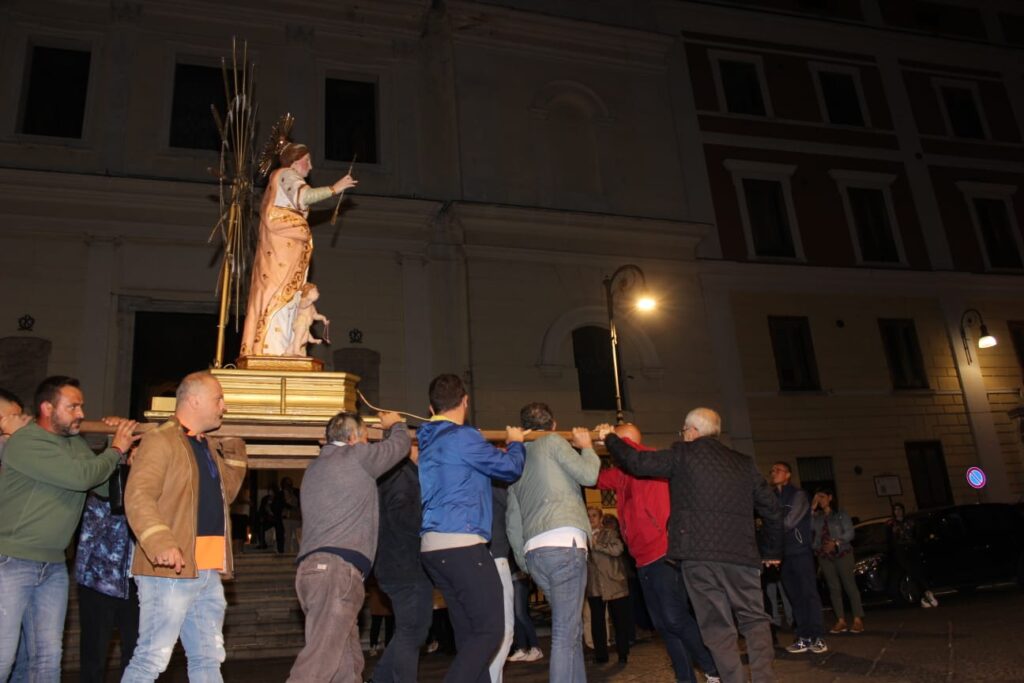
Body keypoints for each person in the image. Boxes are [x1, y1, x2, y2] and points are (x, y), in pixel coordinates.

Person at [598, 408, 782, 683]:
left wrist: (610, 439)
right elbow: (772, 508)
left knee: (717, 627)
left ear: (693, 430)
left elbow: (636, 462)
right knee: (754, 620)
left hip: (699, 558)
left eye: (684, 431)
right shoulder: (744, 463)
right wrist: (771, 550)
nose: (683, 435)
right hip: (742, 556)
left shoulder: (682, 455)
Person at [0, 376, 136, 681]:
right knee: (3, 657)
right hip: (11, 562)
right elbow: (80, 477)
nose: (81, 414)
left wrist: (114, 446)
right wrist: (115, 448)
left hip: (53, 565)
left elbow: (102, 488)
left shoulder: (74, 443)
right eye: (72, 406)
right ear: (47, 408)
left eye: (81, 406)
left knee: (48, 658)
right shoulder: (27, 441)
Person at [122, 371, 248, 682]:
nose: (224, 406)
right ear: (194, 400)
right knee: (151, 659)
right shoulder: (160, 439)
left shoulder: (205, 445)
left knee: (208, 658)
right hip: (170, 570)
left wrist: (235, 456)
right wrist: (160, 541)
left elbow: (225, 496)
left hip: (206, 568)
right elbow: (138, 495)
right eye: (218, 399)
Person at [287, 410, 410, 683]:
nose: (368, 443)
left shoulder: (314, 468)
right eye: (365, 437)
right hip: (336, 573)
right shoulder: (356, 456)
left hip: (313, 573)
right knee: (318, 664)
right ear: (353, 438)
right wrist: (396, 424)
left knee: (347, 665)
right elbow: (399, 447)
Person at [417, 373, 525, 683]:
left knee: (469, 635)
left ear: (431, 408)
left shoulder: (428, 440)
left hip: (433, 548)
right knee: (491, 631)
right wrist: (516, 444)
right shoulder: (463, 437)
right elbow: (509, 469)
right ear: (465, 401)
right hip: (462, 544)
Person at [595, 423, 720, 683]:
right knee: (663, 624)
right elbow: (594, 478)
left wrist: (609, 438)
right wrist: (586, 448)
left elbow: (632, 451)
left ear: (625, 440)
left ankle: (712, 668)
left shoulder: (650, 460)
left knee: (675, 618)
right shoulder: (621, 472)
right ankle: (686, 678)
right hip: (642, 558)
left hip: (663, 552)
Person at [506, 402, 599, 683]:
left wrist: (524, 560)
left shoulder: (517, 459)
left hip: (535, 552)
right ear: (554, 425)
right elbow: (589, 475)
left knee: (570, 631)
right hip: (564, 543)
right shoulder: (554, 441)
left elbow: (513, 519)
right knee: (564, 634)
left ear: (523, 428)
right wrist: (587, 447)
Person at [241, 142, 357, 357]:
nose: (310, 167)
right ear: (294, 162)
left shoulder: (279, 178)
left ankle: (285, 348)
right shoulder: (286, 174)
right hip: (282, 249)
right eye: (307, 161)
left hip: (286, 246)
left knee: (290, 295)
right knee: (281, 294)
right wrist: (334, 189)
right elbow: (305, 197)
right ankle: (273, 349)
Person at [372, 444, 434, 683]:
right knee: (412, 631)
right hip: (406, 564)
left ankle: (380, 678)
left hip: (397, 564)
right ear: (412, 449)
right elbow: (405, 520)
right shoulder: (402, 477)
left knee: (414, 629)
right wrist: (431, 524)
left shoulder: (392, 474)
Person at [768, 461, 827, 655]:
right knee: (794, 596)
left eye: (778, 470)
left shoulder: (798, 495)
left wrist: (771, 527)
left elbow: (789, 522)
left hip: (800, 551)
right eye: (772, 470)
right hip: (784, 554)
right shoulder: (771, 496)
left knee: (808, 594)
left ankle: (817, 637)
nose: (773, 473)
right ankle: (804, 636)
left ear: (788, 475)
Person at [810, 489, 864, 634]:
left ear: (830, 497)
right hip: (824, 556)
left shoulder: (841, 514)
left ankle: (857, 619)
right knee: (833, 588)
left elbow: (850, 532)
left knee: (849, 585)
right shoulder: (817, 517)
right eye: (818, 497)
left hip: (842, 553)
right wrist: (812, 508)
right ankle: (841, 620)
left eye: (822, 497)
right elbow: (808, 527)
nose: (820, 500)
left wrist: (836, 542)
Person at [586, 509, 631, 665]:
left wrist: (597, 545)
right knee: (597, 623)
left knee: (619, 621)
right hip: (594, 585)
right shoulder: (582, 537)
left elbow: (618, 550)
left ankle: (623, 653)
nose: (591, 518)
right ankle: (601, 655)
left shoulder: (610, 533)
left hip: (614, 583)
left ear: (600, 518)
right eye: (588, 516)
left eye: (594, 515)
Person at [488, 483, 515, 683]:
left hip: (478, 556)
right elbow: (513, 508)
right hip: (495, 558)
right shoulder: (495, 481)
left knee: (486, 633)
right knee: (504, 632)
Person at [888, 503, 937, 608]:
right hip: (900, 551)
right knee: (911, 572)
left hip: (912, 549)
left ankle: (926, 594)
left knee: (918, 571)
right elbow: (890, 540)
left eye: (899, 509)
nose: (898, 511)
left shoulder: (910, 522)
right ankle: (924, 595)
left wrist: (916, 544)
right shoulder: (891, 524)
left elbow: (917, 534)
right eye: (895, 509)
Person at [506, 558, 543, 663]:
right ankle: (522, 648)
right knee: (516, 615)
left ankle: (535, 648)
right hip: (513, 577)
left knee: (520, 614)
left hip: (520, 577)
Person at [280, 477, 302, 554]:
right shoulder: (281, 493)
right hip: (287, 517)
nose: (288, 485)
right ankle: (286, 552)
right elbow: (283, 504)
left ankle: (297, 552)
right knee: (288, 536)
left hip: (296, 517)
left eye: (289, 483)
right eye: (286, 483)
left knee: (297, 536)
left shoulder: (296, 492)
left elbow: (298, 502)